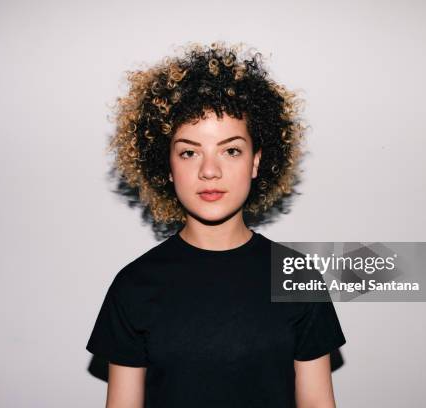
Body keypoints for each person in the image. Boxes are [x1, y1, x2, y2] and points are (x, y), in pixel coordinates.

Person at [86, 41, 346, 408]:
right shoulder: (133, 285)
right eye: (189, 152)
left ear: (256, 162)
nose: (209, 171)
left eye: (231, 150)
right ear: (168, 166)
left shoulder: (296, 276)